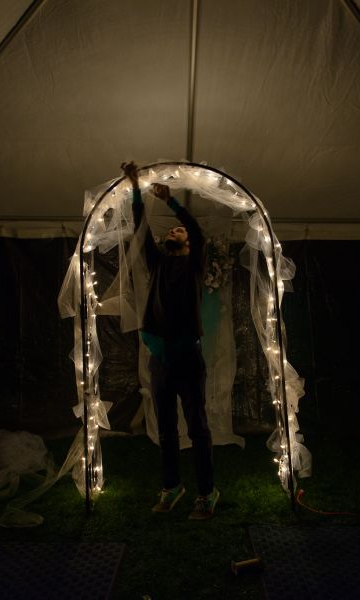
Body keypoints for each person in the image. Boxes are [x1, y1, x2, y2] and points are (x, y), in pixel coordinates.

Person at [123, 161, 219, 520]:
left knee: (197, 428)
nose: (177, 231)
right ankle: (172, 487)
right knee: (166, 430)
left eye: (181, 231)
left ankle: (207, 493)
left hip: (187, 358)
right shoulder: (157, 262)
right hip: (160, 360)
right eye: (174, 230)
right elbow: (139, 227)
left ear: (188, 244)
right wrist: (135, 186)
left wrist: (172, 203)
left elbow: (197, 231)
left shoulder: (194, 266)